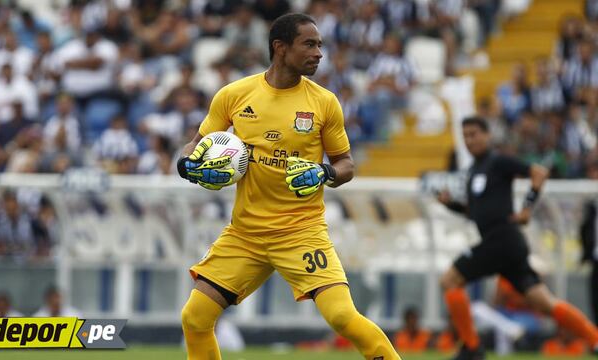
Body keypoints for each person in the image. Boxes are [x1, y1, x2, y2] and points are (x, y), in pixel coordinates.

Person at [176, 13, 400, 360]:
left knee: (342, 316)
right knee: (195, 317)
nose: (319, 53)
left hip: (301, 232)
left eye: (320, 45)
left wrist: (324, 173)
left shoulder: (324, 102)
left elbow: (347, 165)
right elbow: (196, 144)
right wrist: (187, 164)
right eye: (309, 44)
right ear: (280, 48)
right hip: (246, 234)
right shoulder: (234, 95)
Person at [436, 116, 598, 360]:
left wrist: (527, 207)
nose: (470, 140)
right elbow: (476, 212)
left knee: (450, 280)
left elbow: (538, 173)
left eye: (474, 134)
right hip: (505, 245)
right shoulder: (472, 172)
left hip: (503, 239)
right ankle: (595, 339)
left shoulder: (498, 161)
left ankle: (471, 347)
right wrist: (451, 206)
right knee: (544, 302)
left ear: (487, 135)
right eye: (465, 136)